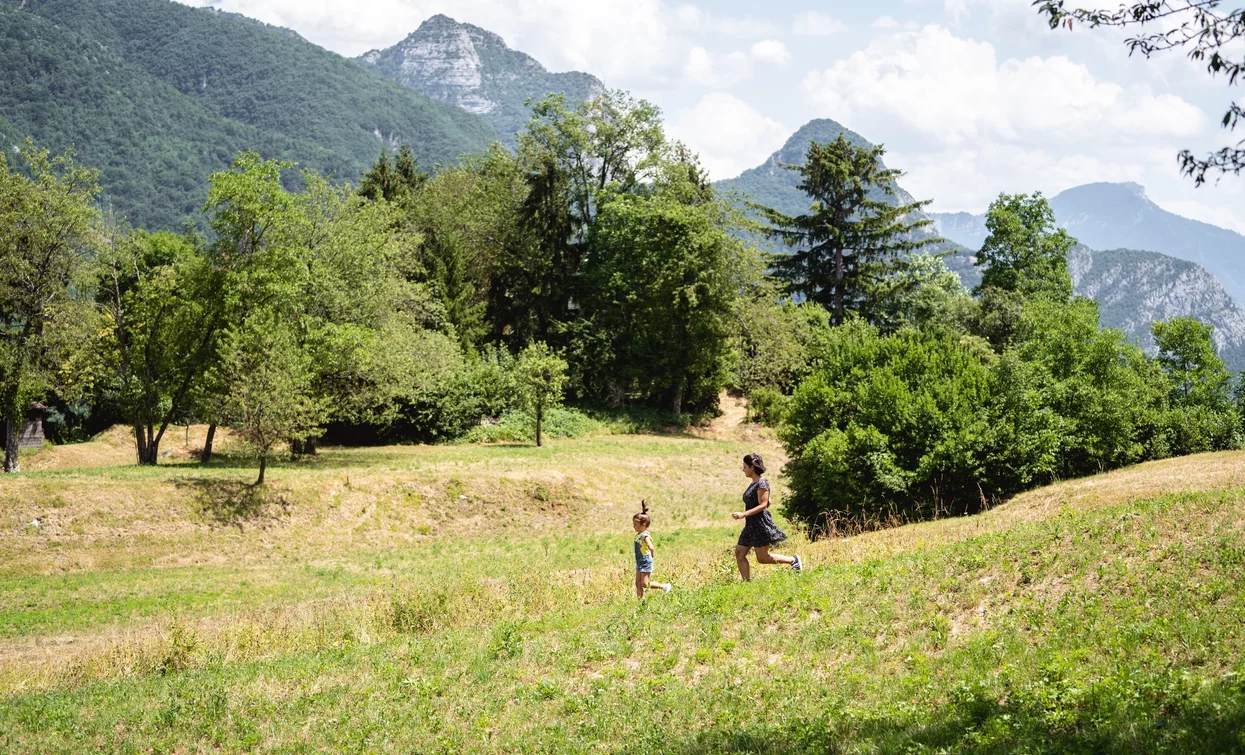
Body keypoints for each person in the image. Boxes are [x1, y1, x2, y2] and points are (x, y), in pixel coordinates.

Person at [733, 452, 802, 580]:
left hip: (759, 524)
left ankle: (793, 560)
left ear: (752, 467)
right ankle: (746, 583)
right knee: (739, 553)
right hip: (750, 525)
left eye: (745, 467)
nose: (743, 469)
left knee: (763, 558)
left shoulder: (762, 482)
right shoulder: (754, 484)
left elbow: (763, 505)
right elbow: (767, 502)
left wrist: (743, 514)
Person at [632, 500, 672, 599]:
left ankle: (664, 586)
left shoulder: (645, 535)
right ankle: (640, 601)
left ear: (643, 525)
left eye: (635, 525)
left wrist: (652, 553)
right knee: (637, 583)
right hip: (639, 562)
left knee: (645, 584)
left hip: (645, 561)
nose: (633, 526)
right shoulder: (639, 535)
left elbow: (651, 546)